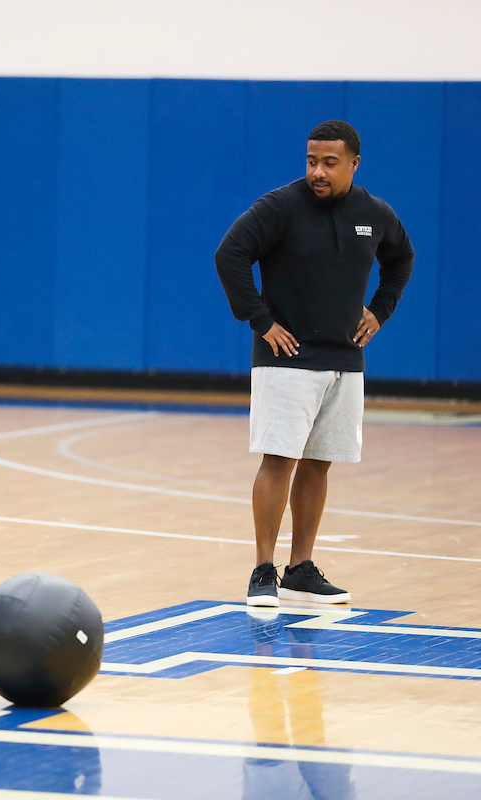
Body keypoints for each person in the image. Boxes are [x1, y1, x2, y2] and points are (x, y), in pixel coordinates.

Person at [215, 119, 414, 608]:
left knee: (319, 463)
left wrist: (381, 310)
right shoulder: (280, 207)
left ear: (353, 163)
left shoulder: (374, 213)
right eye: (311, 161)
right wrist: (260, 320)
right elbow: (230, 254)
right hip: (286, 360)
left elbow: (401, 257)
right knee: (279, 458)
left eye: (329, 162)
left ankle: (300, 568)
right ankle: (263, 570)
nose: (318, 172)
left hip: (345, 362)